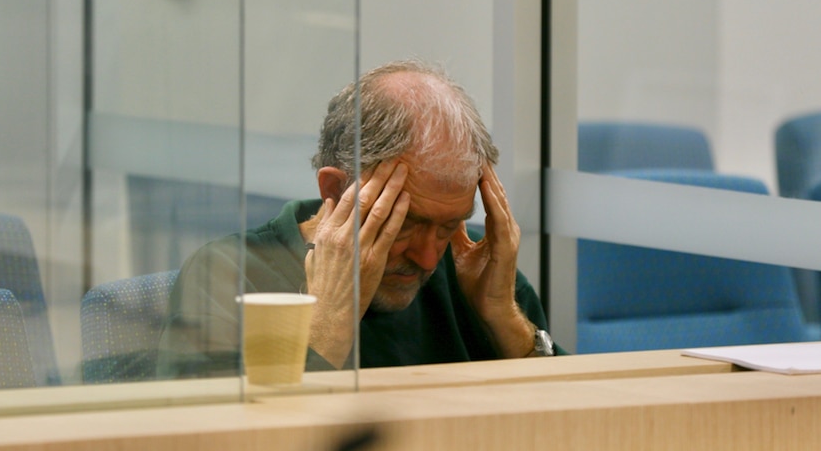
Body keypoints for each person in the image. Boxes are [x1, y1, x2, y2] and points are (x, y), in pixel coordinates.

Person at [157, 59, 564, 379]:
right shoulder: (230, 274)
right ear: (334, 191)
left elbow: (571, 427)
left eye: (447, 226)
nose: (427, 257)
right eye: (404, 223)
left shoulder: (476, 273)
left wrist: (503, 316)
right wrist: (328, 322)